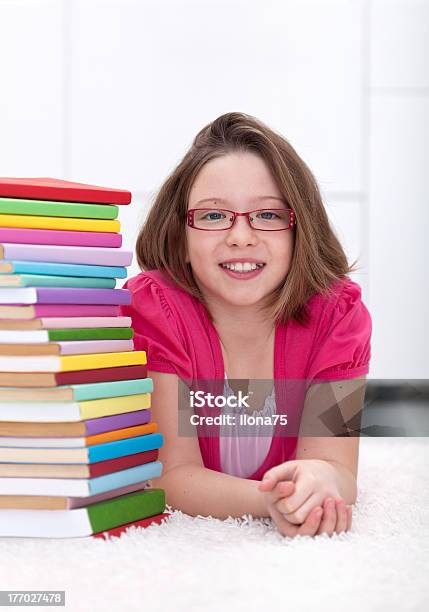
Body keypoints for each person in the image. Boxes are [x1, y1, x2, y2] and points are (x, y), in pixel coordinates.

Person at [120, 112, 372, 538]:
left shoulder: (337, 315)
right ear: (180, 236)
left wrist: (321, 481)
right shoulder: (156, 308)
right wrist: (267, 500)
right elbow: (172, 475)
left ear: (299, 232)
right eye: (214, 216)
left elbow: (337, 467)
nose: (240, 236)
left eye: (269, 216)